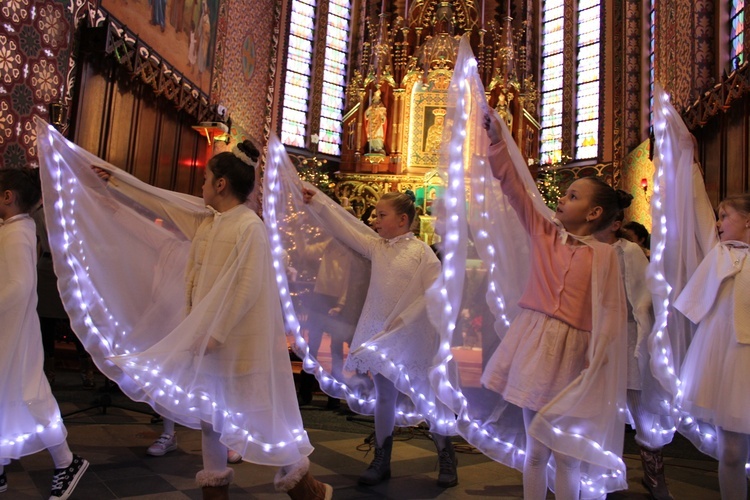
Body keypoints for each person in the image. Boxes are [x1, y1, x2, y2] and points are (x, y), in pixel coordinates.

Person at [37, 123, 330, 500]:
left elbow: (246, 289)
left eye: (206, 179)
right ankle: (215, 491)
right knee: (210, 419)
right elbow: (163, 203)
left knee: (261, 418)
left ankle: (306, 490)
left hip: (237, 344)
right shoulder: (207, 221)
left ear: (222, 184)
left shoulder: (249, 228)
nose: (201, 186)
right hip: (207, 342)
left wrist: (216, 333)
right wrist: (118, 182)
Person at [481, 111, 629, 500]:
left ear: (595, 214)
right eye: (564, 194)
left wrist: (598, 363)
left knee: (567, 456)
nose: (561, 199)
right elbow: (516, 188)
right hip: (536, 345)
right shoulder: (546, 233)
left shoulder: (607, 257)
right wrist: (499, 142)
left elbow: (611, 315)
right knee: (536, 449)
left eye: (573, 196)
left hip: (577, 357)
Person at [301, 187, 459, 488]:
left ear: (402, 220)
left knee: (427, 398)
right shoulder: (378, 247)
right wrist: (319, 202)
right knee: (384, 396)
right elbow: (346, 227)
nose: (375, 220)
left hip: (410, 336)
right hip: (379, 333)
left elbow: (434, 293)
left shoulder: (423, 254)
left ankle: (446, 454)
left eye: (381, 215)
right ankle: (382, 458)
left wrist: (404, 320)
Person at [0, 168, 89, 500]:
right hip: (10, 329)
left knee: (30, 394)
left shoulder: (16, 233)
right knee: (9, 393)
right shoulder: (13, 229)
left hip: (14, 330)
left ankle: (67, 462)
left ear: (8, 196)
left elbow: (19, 286)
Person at [594, 211, 674, 500]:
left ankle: (655, 477)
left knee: (642, 411)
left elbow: (644, 295)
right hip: (593, 337)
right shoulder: (580, 247)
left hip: (627, 336)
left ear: (614, 224)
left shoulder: (629, 251)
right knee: (596, 410)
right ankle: (599, 475)